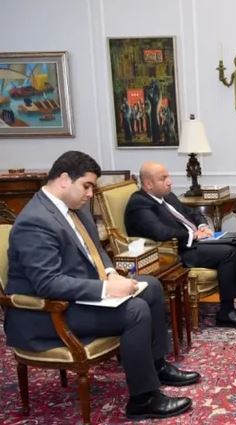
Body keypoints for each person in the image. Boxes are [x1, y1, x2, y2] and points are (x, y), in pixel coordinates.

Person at [3, 151, 199, 420]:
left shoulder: (75, 209)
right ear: (64, 179)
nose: (90, 193)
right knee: (135, 311)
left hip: (77, 295)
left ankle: (156, 366)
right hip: (46, 313)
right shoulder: (35, 222)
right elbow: (48, 283)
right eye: (87, 186)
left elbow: (96, 249)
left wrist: (110, 273)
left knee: (152, 287)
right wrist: (105, 290)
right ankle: (143, 399)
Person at [125, 161, 236, 328]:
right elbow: (161, 232)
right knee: (229, 253)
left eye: (168, 177)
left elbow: (192, 212)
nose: (170, 182)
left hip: (192, 243)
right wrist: (193, 234)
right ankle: (227, 312)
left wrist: (202, 226)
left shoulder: (167, 196)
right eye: (163, 178)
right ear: (148, 184)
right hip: (175, 253)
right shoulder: (139, 205)